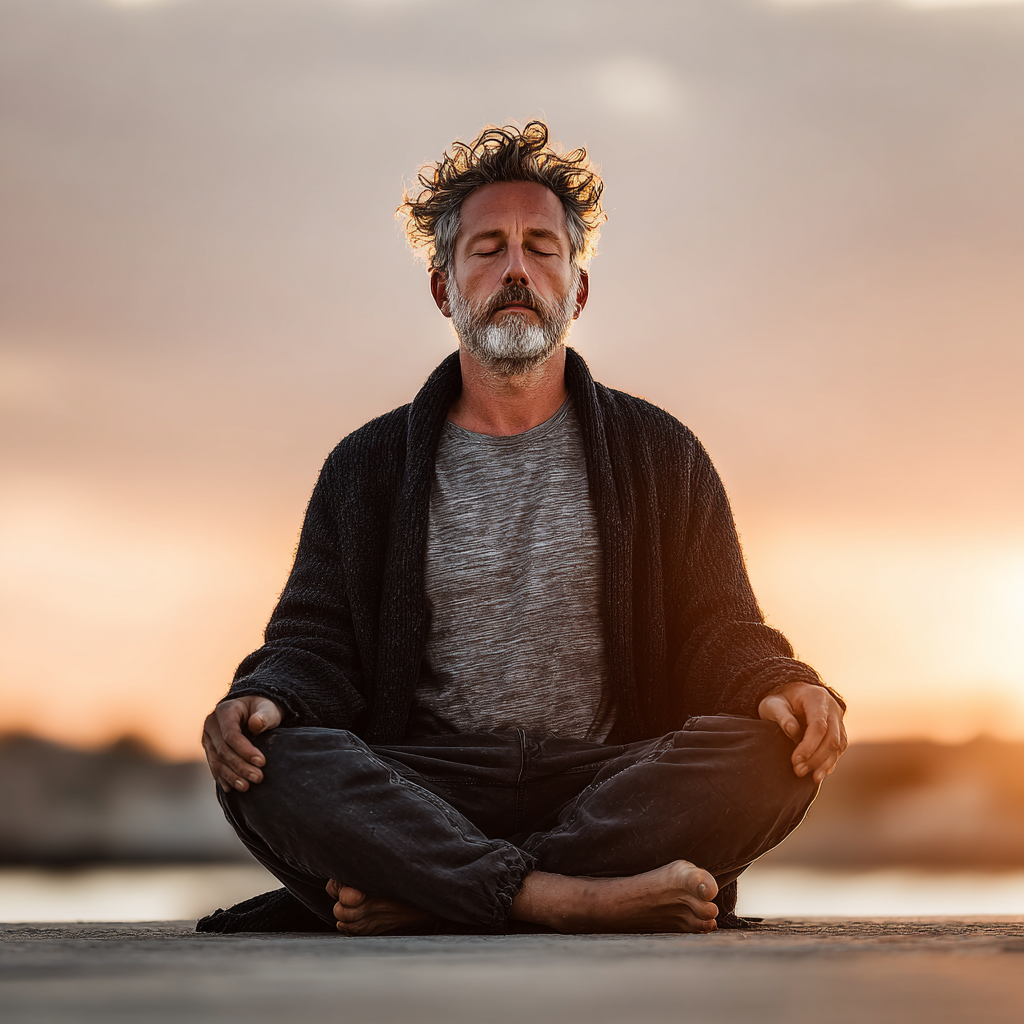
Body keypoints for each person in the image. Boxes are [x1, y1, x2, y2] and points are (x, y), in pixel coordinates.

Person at [200, 122, 847, 937]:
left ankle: (438, 891)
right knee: (268, 762)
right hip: (425, 789)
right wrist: (265, 696)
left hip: (607, 784)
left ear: (578, 289)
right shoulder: (366, 467)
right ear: (444, 289)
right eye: (487, 249)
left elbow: (720, 629)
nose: (515, 269)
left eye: (542, 248)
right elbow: (314, 642)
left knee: (772, 756)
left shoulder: (661, 454)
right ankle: (569, 899)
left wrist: (783, 685)